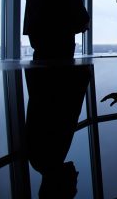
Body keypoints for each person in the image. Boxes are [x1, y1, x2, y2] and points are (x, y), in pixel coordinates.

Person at [25, 63, 91, 198]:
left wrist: (83, 75)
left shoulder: (50, 155)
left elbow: (65, 108)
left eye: (73, 183)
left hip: (58, 70)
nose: (76, 175)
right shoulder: (42, 160)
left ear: (59, 186)